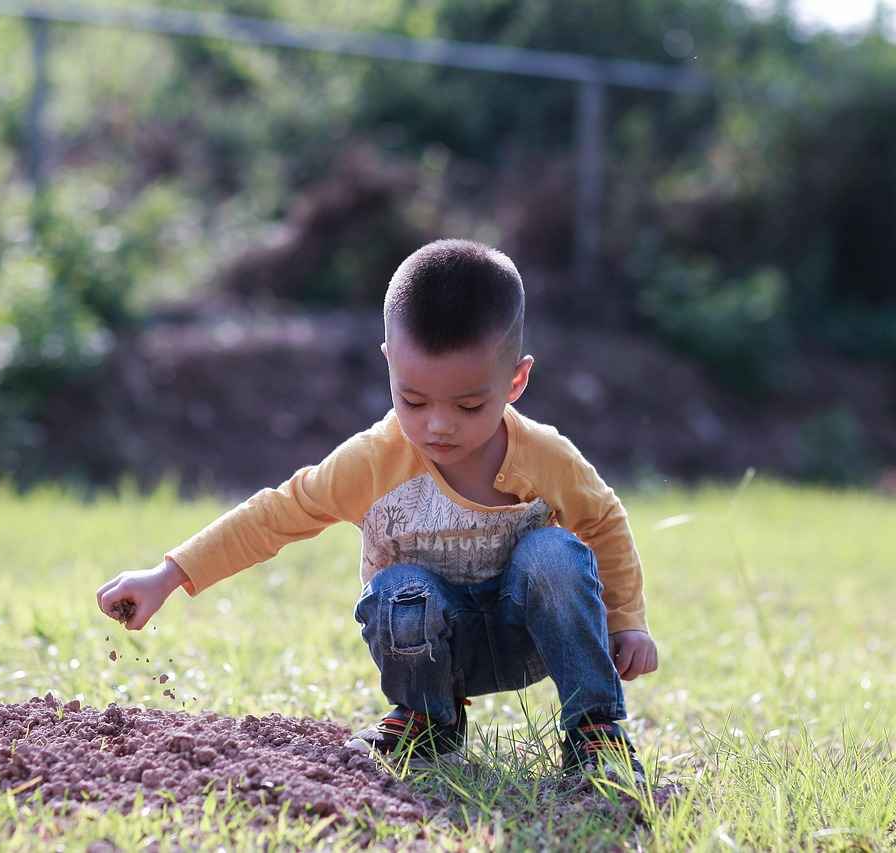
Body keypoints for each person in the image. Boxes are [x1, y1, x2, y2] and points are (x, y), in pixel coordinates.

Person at [96, 238, 658, 782]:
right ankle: (426, 721)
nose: (438, 424)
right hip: (430, 645)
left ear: (515, 380)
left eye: (468, 405)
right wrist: (169, 575)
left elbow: (603, 520)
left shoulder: (544, 457)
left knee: (554, 553)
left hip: (530, 636)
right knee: (398, 588)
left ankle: (595, 730)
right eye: (413, 399)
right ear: (389, 363)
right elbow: (275, 514)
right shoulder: (372, 462)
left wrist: (628, 622)